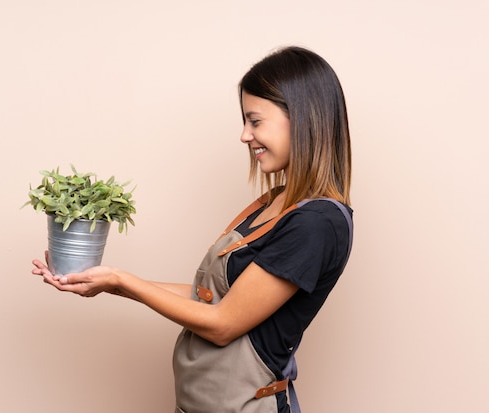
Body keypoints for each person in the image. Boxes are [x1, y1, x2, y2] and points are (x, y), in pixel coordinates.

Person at [32, 45, 353, 413]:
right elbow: (210, 299)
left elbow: (222, 324)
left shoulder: (317, 223)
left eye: (255, 120)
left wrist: (121, 279)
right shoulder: (275, 201)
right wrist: (105, 283)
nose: (245, 136)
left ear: (302, 118)